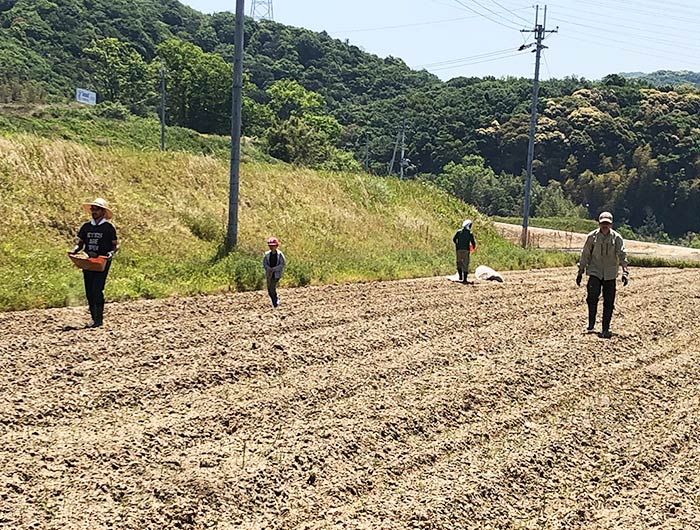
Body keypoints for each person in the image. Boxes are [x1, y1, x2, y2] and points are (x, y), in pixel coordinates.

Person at [576, 211, 629, 338]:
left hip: (610, 273)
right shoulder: (592, 237)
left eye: (607, 223)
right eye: (603, 223)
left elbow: (622, 255)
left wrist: (625, 272)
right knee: (592, 297)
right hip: (595, 271)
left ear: (611, 224)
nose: (605, 226)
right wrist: (580, 271)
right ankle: (591, 323)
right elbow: (585, 255)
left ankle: (606, 327)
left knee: (609, 301)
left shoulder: (617, 238)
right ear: (599, 223)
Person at [68, 198, 118, 327]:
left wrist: (110, 254)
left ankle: (98, 320)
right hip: (88, 261)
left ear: (103, 212)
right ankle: (93, 318)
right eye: (92, 209)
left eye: (96, 209)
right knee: (89, 290)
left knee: (97, 289)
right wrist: (74, 251)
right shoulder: (86, 227)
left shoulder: (108, 228)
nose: (94, 212)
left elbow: (114, 246)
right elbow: (80, 243)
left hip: (101, 261)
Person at [263, 236, 286, 308]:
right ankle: (274, 301)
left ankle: (275, 301)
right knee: (269, 288)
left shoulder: (280, 254)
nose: (271, 247)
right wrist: (268, 269)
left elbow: (282, 264)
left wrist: (274, 269)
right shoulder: (266, 254)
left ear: (276, 246)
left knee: (272, 286)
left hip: (276, 274)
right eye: (270, 246)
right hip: (269, 274)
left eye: (273, 246)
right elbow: (264, 263)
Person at [453, 219, 477, 284]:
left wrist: (457, 245)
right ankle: (465, 279)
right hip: (466, 250)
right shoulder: (470, 233)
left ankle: (460, 276)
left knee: (459, 263)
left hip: (458, 250)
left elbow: (454, 239)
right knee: (465, 264)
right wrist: (473, 247)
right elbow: (473, 242)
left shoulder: (458, 232)